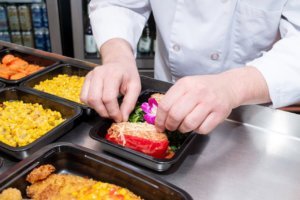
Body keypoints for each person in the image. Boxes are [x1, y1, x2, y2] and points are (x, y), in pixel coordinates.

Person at [80, 0, 300, 134]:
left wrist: (232, 88)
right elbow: (118, 2)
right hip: (165, 97)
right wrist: (118, 57)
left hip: (247, 113)